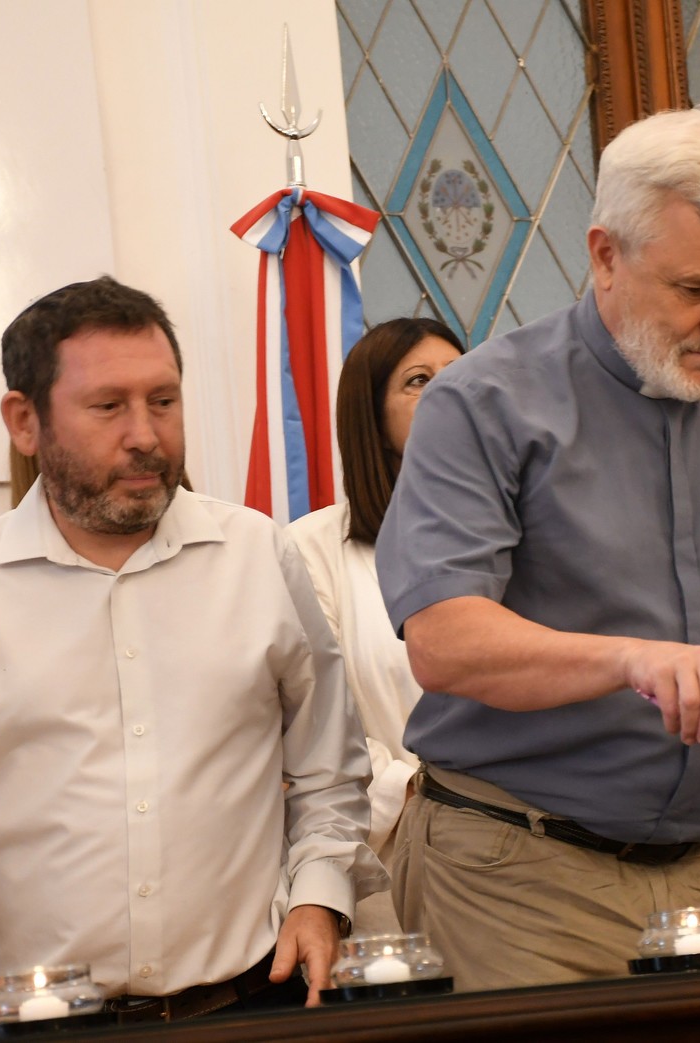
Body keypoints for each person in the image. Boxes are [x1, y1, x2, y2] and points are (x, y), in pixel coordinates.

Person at [374, 106, 700, 990]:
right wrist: (628, 658)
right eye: (693, 288)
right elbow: (442, 639)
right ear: (603, 254)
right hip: (519, 873)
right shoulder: (481, 403)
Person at [0, 276, 383, 1040]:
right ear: (24, 421)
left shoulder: (259, 556)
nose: (145, 433)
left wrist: (318, 891)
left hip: (256, 1006)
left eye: (163, 401)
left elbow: (331, 766)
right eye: (109, 406)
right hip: (35, 1020)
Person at [287, 317, 464, 931]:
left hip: (529, 851)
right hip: (392, 861)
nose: (447, 391)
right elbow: (313, 727)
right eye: (418, 381)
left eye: (459, 373)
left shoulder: (527, 539)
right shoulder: (310, 550)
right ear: (369, 413)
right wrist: (422, 793)